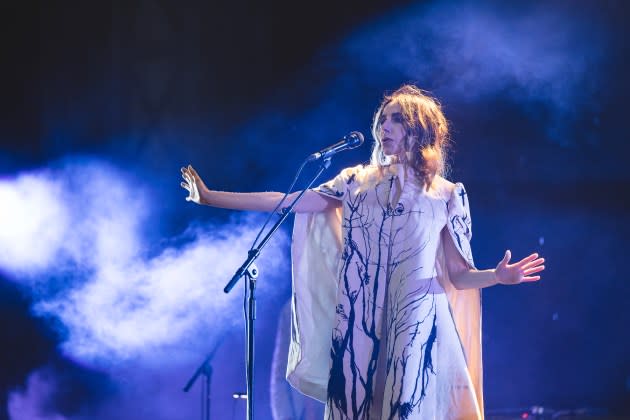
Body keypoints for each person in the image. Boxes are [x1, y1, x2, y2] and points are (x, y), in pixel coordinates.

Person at [180, 85, 545, 420]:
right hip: (361, 317)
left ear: (420, 130)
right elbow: (286, 202)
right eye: (382, 119)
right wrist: (212, 197)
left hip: (415, 318)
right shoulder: (355, 181)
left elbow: (458, 274)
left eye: (396, 120)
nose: (384, 127)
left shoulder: (447, 194)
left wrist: (498, 276)